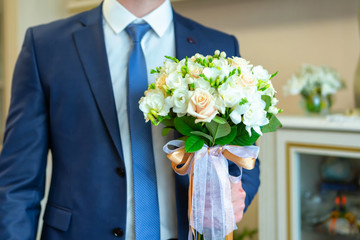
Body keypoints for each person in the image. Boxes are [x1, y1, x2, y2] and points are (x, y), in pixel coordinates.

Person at [0, 0, 260, 239]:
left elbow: (243, 154)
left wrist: (233, 197)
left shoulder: (217, 45)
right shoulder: (45, 45)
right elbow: (18, 182)